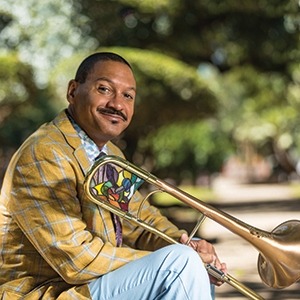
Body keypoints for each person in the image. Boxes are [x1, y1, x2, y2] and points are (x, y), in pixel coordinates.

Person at [0, 52, 226, 299]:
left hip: (89, 288)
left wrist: (185, 244)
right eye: (105, 89)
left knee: (193, 266)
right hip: (45, 293)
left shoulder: (110, 154)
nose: (117, 104)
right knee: (181, 265)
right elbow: (78, 259)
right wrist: (183, 258)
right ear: (73, 92)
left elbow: (141, 224)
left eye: (128, 96)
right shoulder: (44, 153)